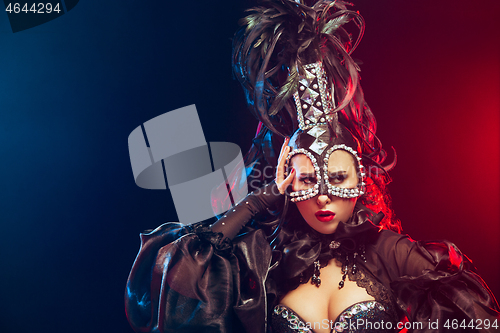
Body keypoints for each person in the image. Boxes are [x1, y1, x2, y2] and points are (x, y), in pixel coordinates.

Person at [125, 1, 499, 332]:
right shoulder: (265, 261)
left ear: (361, 180)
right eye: (305, 180)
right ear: (288, 183)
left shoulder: (389, 253)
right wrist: (260, 199)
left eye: (337, 178)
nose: (323, 196)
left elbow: (476, 318)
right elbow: (180, 274)